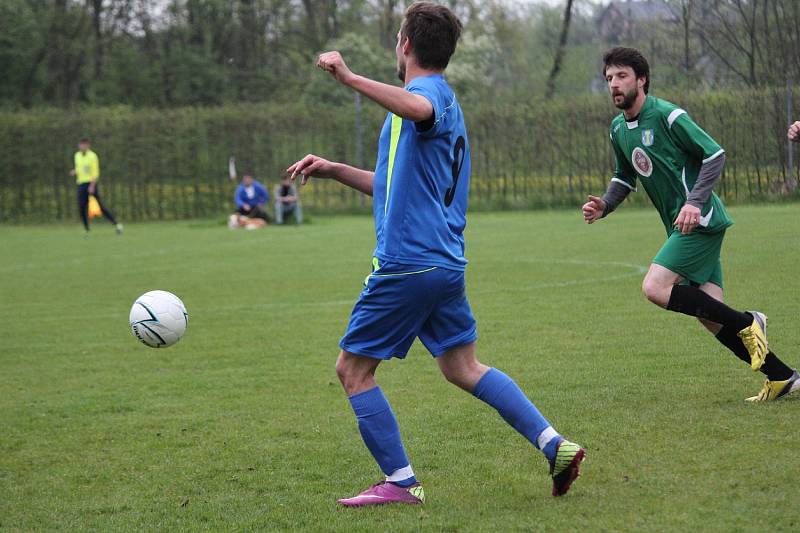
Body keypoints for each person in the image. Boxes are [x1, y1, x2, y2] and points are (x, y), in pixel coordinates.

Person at [287, 1, 585, 507]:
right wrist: (336, 169)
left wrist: (349, 77)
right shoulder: (431, 104)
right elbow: (391, 185)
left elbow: (418, 108)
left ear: (405, 45)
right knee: (461, 367)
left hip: (409, 263)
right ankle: (554, 445)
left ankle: (401, 482)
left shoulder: (427, 95)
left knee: (353, 371)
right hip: (442, 264)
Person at [582, 47, 798, 402]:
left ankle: (750, 321)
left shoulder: (668, 115)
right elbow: (624, 177)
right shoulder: (618, 129)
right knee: (711, 314)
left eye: (621, 76)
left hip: (700, 222)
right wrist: (604, 204)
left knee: (654, 287)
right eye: (608, 79)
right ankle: (782, 376)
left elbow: (715, 153)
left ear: (642, 79)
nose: (613, 85)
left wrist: (694, 203)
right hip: (678, 227)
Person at [70, 138, 122, 234]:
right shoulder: (77, 155)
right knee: (82, 207)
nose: (82, 147)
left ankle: (117, 224)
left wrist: (92, 186)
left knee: (100, 207)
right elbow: (80, 168)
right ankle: (87, 229)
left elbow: (95, 172)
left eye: (84, 145)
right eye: (81, 145)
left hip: (90, 183)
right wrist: (75, 171)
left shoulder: (93, 156)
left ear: (88, 146)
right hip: (81, 184)